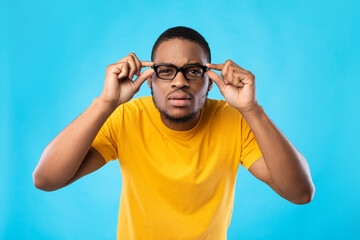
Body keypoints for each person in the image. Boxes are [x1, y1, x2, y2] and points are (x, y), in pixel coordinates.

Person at [33, 26, 315, 239]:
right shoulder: (126, 117)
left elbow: (300, 193)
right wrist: (105, 103)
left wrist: (252, 109)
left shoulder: (236, 120)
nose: (179, 82)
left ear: (210, 82)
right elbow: (46, 179)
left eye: (193, 71)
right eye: (166, 70)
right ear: (149, 80)